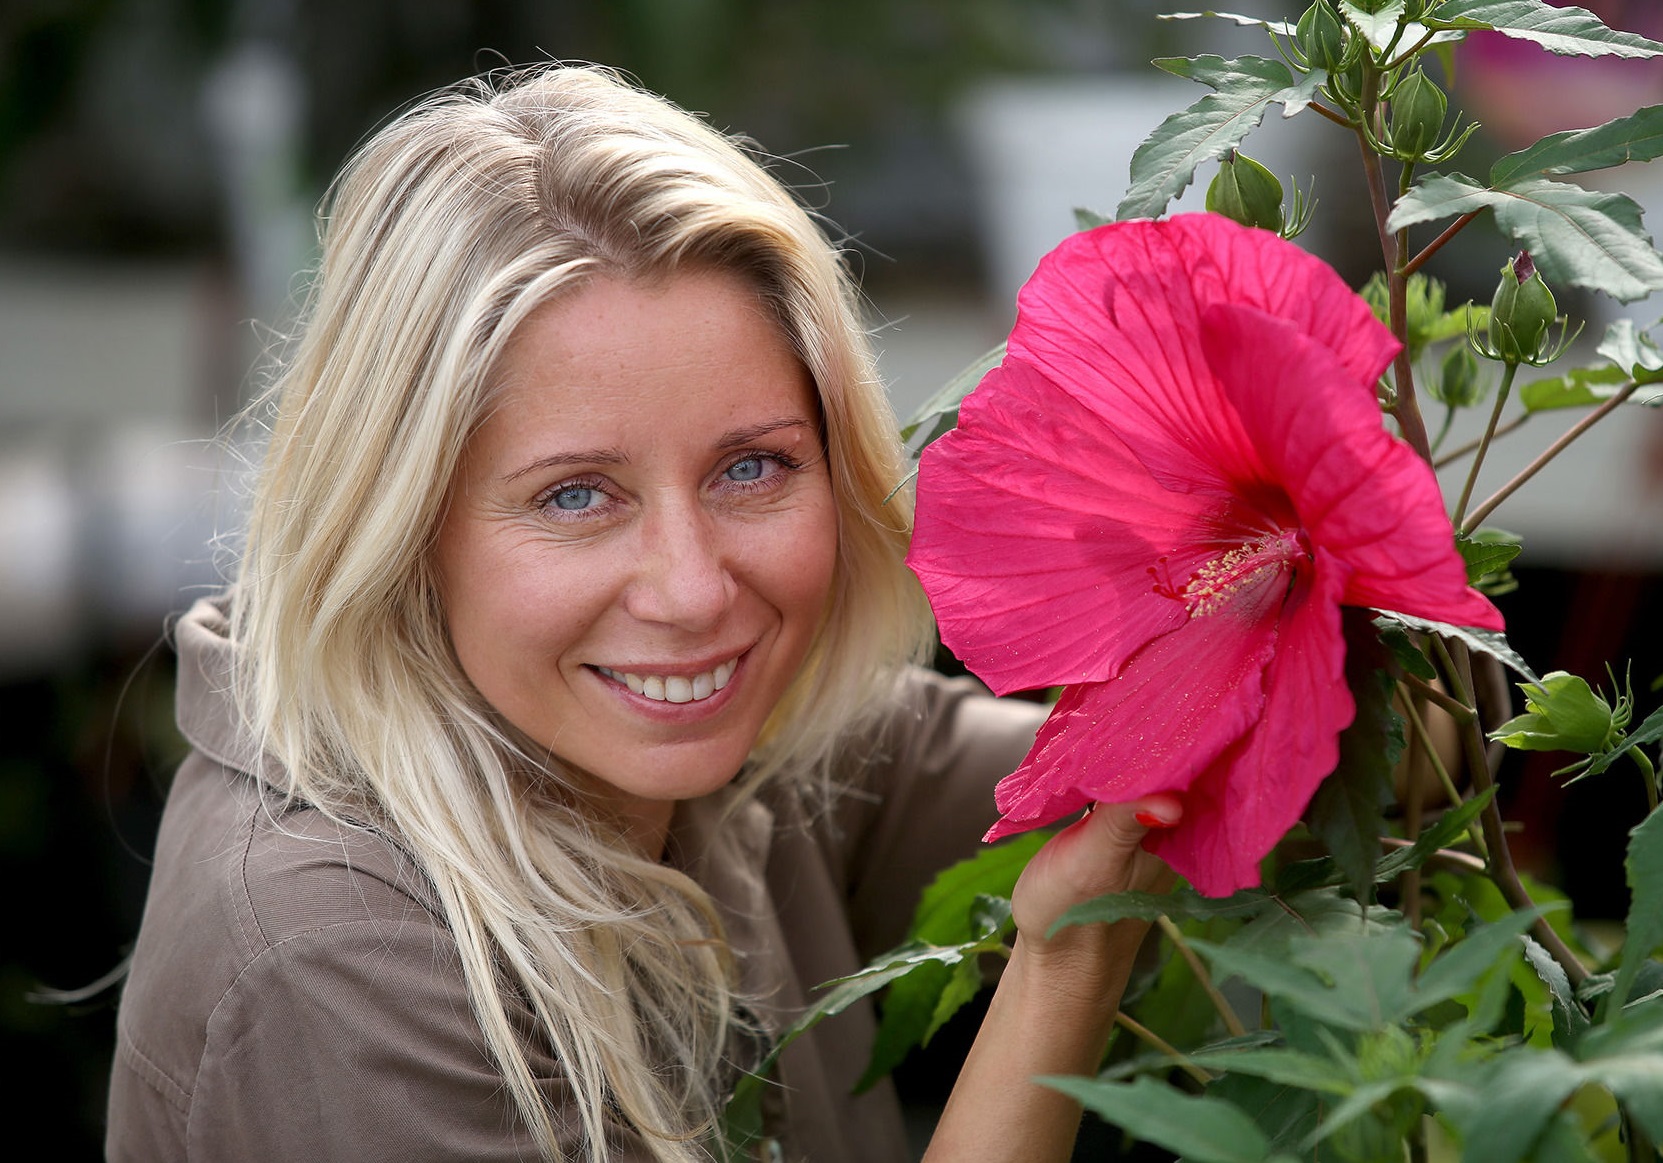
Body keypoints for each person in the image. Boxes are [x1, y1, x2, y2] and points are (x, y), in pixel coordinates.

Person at [105, 64, 1178, 1163]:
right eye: (575, 495)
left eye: (752, 467)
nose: (693, 588)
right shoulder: (336, 960)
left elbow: (1079, 772)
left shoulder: (701, 733)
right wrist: (1065, 962)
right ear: (401, 520)